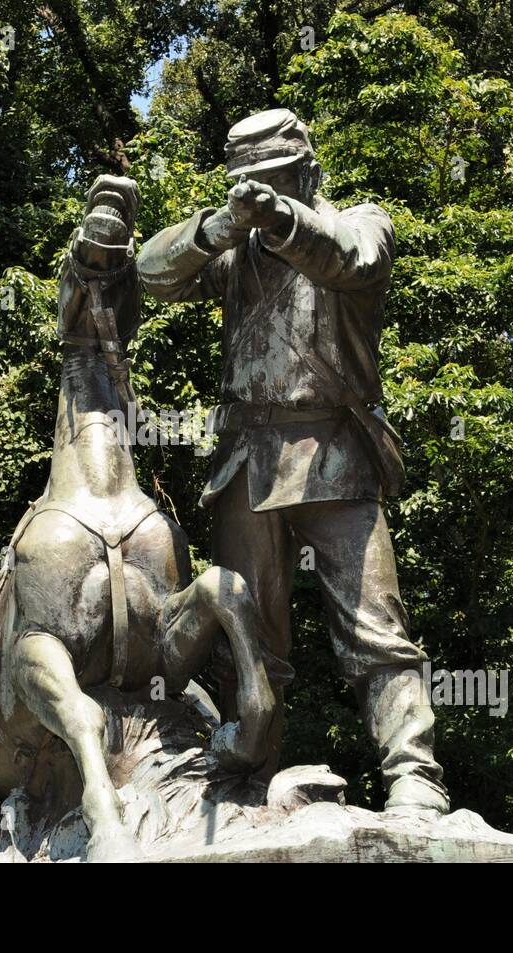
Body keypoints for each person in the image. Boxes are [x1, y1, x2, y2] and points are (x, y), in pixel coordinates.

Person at [136, 108, 449, 814]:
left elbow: (351, 257)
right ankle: (246, 775)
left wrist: (281, 220)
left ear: (309, 172)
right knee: (248, 635)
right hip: (249, 458)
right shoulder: (237, 253)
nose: (263, 196)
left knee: (375, 629)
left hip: (333, 452)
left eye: (277, 180)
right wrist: (219, 227)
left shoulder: (362, 220)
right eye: (251, 185)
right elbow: (150, 273)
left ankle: (414, 776)